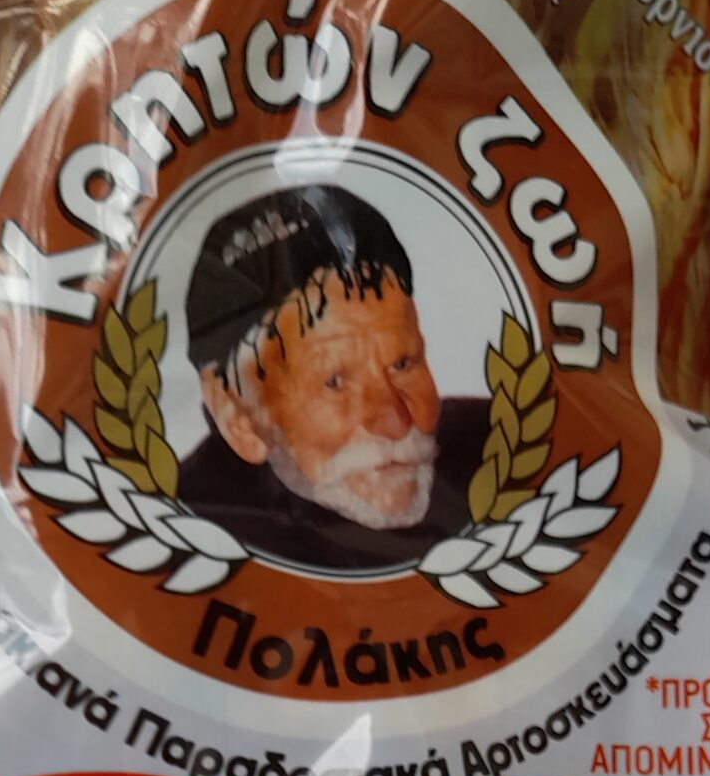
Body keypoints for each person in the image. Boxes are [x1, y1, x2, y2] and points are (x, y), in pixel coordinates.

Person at [177, 183, 490, 572]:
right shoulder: (186, 535)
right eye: (335, 382)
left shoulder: (502, 446)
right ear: (238, 417)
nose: (395, 422)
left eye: (402, 363)